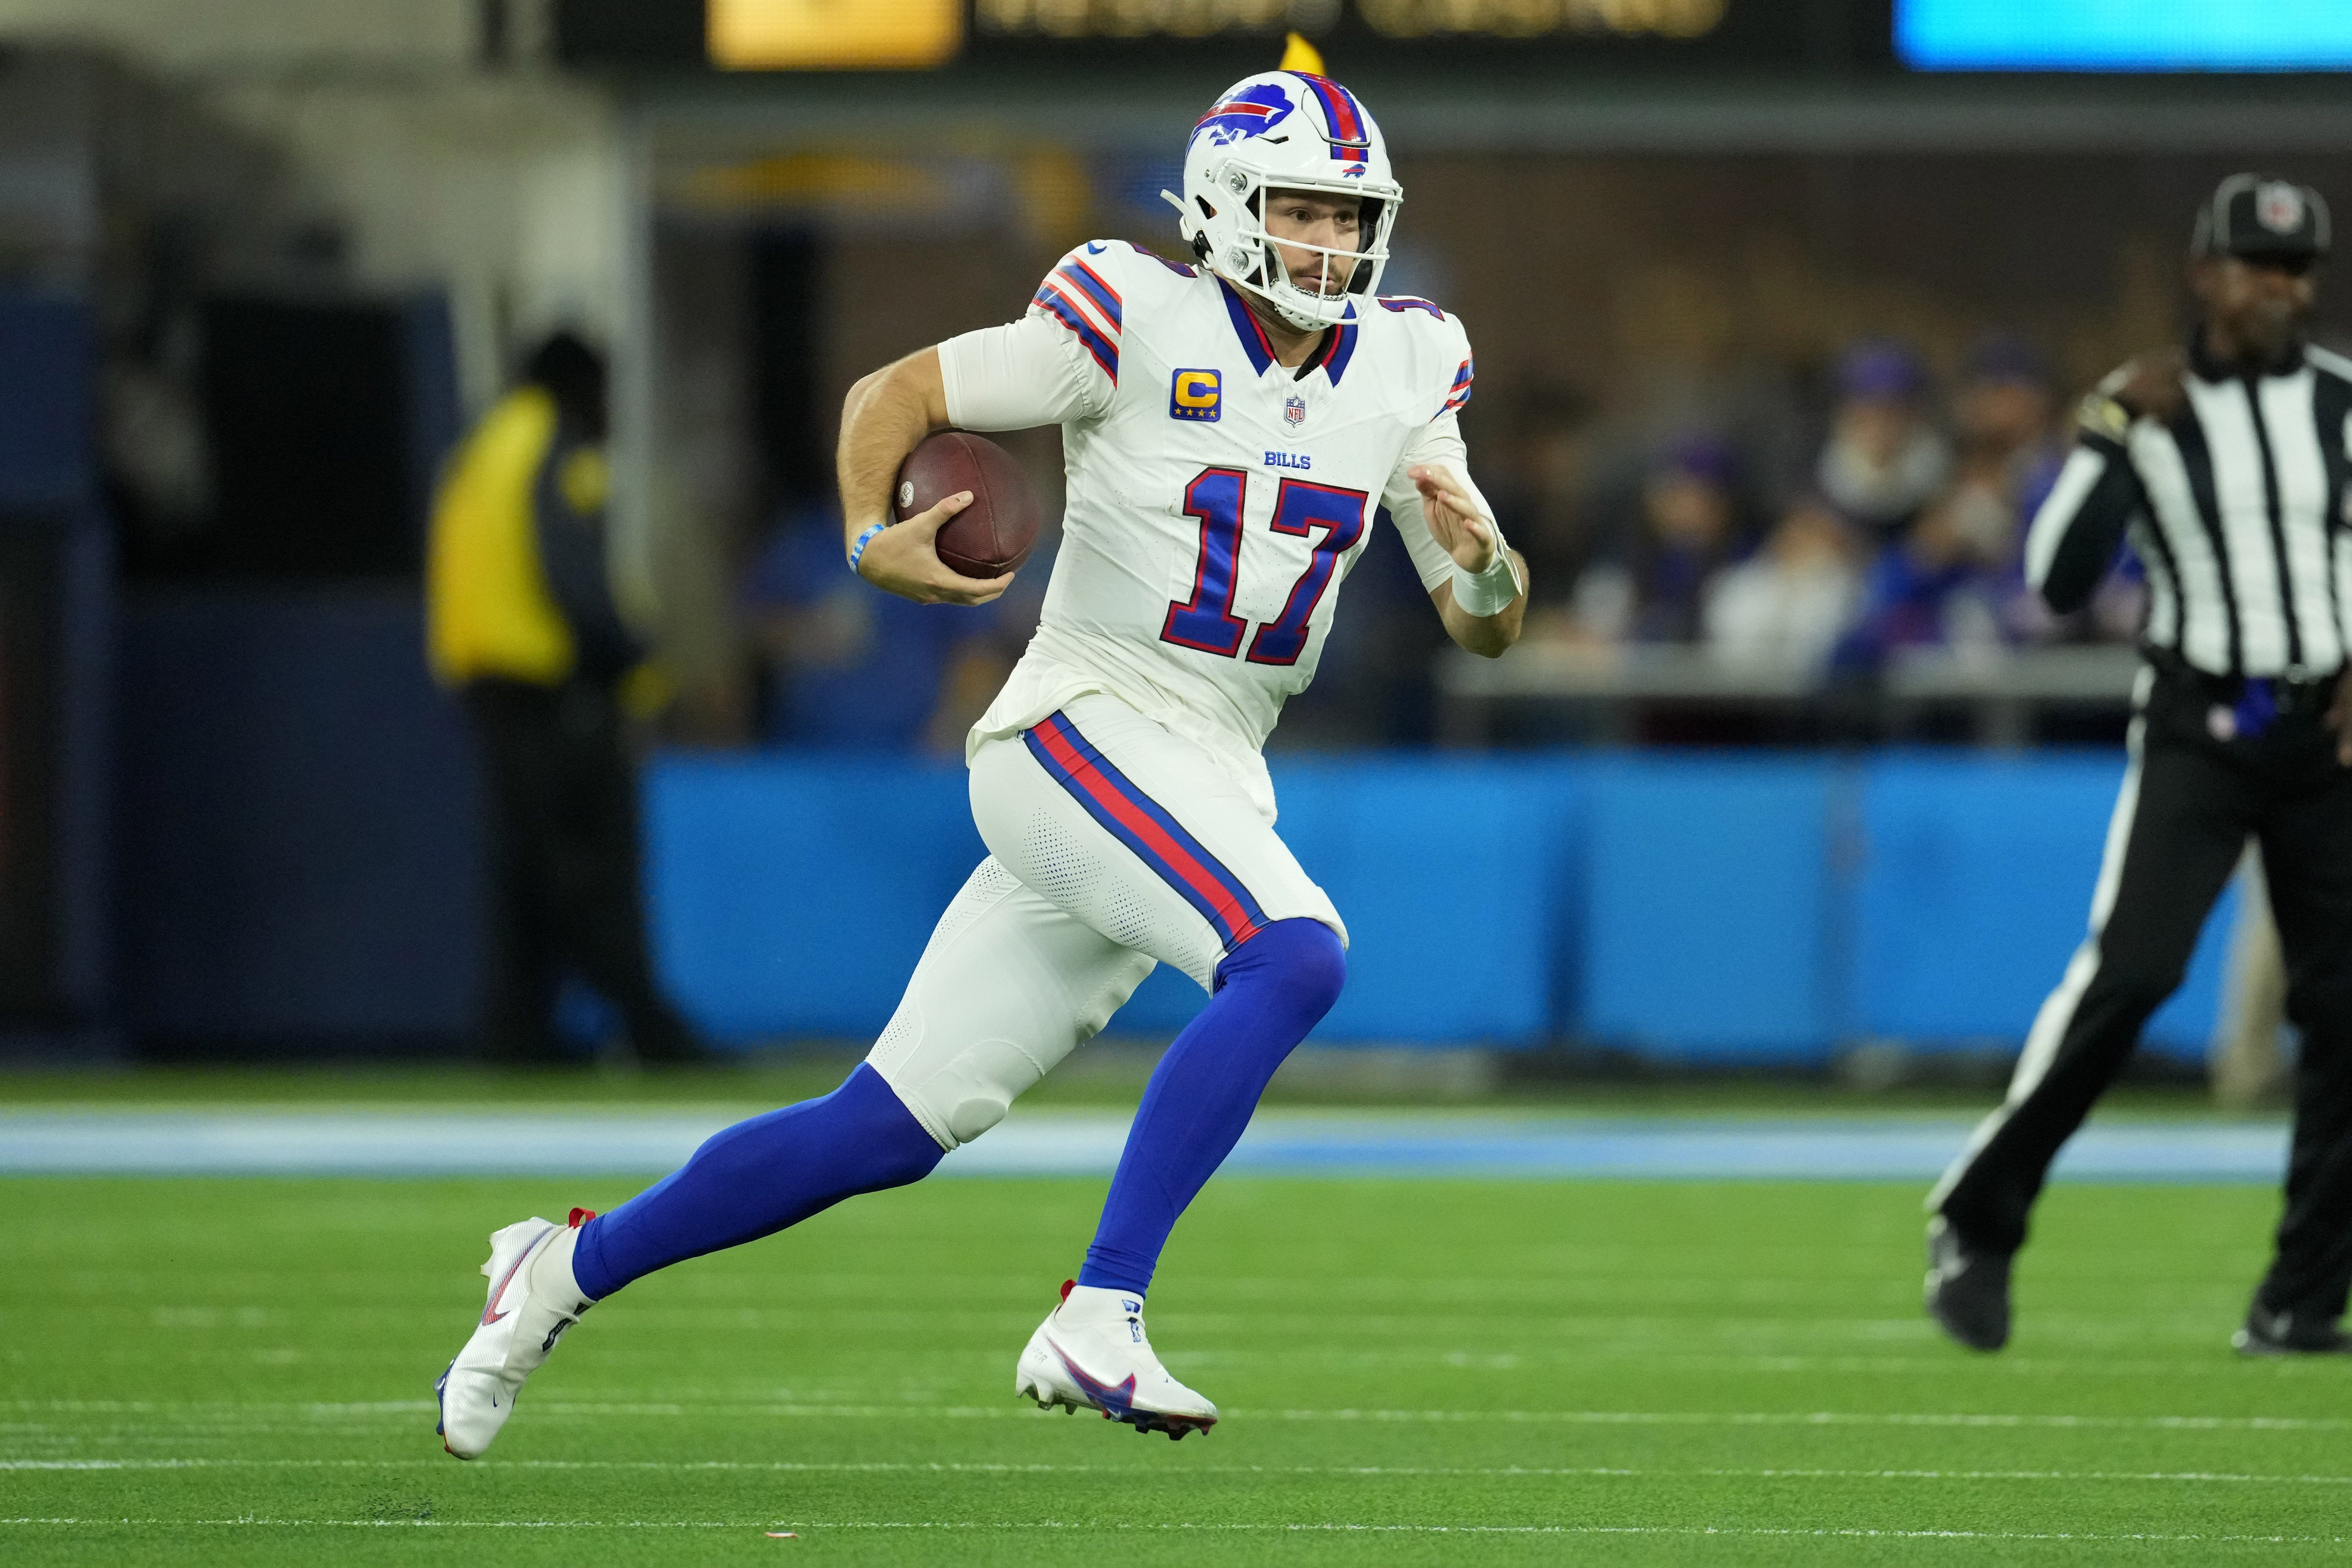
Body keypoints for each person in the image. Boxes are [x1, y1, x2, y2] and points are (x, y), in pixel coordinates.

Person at [433, 65, 1527, 1458]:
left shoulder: (1409, 358)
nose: (1326, 244)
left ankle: (557, 1273)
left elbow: (1479, 621)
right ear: (1224, 205)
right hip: (1077, 725)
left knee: (884, 1126)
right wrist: (860, 532)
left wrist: (1488, 568)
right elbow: (893, 393)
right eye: (1298, 210)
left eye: (1345, 215)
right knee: (1295, 952)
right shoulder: (1131, 310)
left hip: (1207, 766)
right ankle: (1099, 1309)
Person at [1925, 174, 2352, 1356]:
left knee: (2346, 1013)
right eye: (2260, 266)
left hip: (2325, 735)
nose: (2284, 288)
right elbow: (2052, 578)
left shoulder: (2336, 402)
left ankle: (2298, 1296)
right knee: (2130, 975)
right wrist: (2108, 438)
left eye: (2298, 268)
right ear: (2203, 275)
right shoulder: (2140, 404)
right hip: (2198, 724)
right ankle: (1976, 1218)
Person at [424, 331, 707, 1068]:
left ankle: (515, 1033)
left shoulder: (486, 448)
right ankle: (651, 1030)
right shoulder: (548, 445)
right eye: (603, 391)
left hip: (488, 684)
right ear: (578, 387)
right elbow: (571, 568)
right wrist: (629, 658)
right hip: (554, 687)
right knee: (590, 868)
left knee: (525, 868)